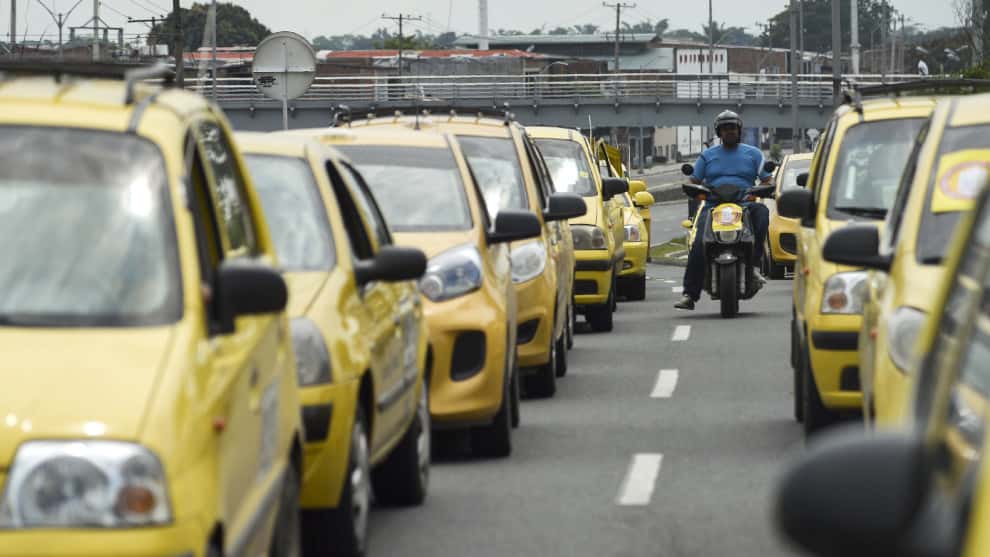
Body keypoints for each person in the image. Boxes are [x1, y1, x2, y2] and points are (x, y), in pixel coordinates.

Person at [675, 110, 772, 311]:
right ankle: (689, 294)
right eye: (725, 128)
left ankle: (754, 265)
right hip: (713, 207)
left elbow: (767, 180)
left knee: (762, 212)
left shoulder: (754, 154)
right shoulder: (707, 156)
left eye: (733, 128)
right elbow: (693, 180)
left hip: (744, 205)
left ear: (739, 130)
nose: (729, 131)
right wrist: (695, 190)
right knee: (699, 242)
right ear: (719, 132)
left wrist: (761, 190)